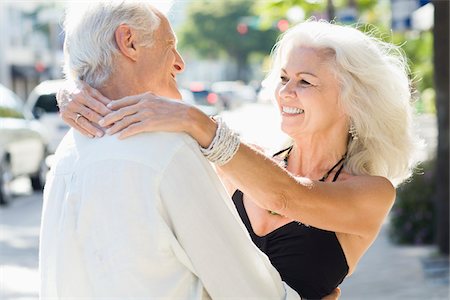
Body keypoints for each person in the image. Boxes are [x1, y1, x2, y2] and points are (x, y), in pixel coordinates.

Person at [59, 19, 422, 299]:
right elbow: (154, 94)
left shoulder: (372, 192)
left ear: (352, 99)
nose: (285, 92)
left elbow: (287, 197)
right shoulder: (246, 163)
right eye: (283, 78)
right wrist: (77, 88)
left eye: (305, 82)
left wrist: (194, 119)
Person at [40, 2, 311, 299]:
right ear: (128, 41)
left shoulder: (69, 150)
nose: (180, 63)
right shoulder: (167, 147)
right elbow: (248, 288)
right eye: (170, 45)